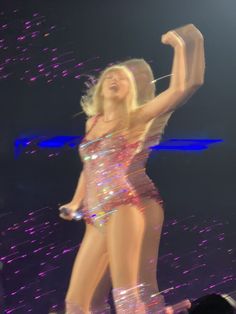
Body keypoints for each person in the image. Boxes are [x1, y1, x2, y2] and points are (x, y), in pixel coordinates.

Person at [59, 23, 205, 314]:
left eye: (122, 78)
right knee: (78, 303)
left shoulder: (138, 117)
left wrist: (187, 42)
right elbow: (89, 167)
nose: (114, 79)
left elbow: (184, 86)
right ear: (100, 86)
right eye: (109, 76)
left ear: (133, 89)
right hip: (94, 214)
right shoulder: (93, 124)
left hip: (125, 205)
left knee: (131, 295)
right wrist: (76, 202)